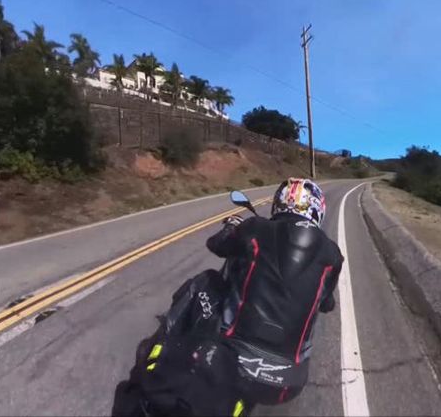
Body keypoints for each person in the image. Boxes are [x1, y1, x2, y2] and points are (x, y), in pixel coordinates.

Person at [112, 178, 343, 416]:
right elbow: (327, 304)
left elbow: (216, 245)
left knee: (206, 280)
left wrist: (232, 227)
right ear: (317, 209)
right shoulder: (333, 255)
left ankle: (160, 348)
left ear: (279, 203)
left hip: (235, 360)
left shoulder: (255, 228)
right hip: (288, 383)